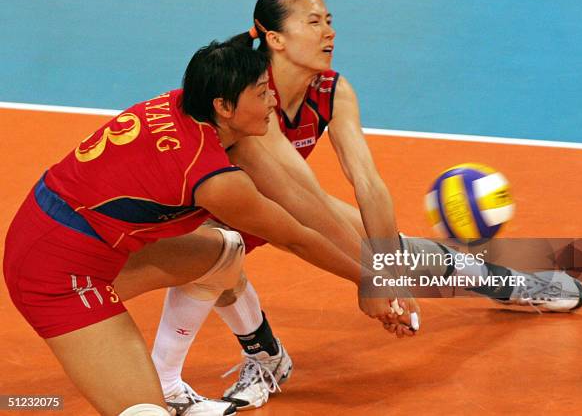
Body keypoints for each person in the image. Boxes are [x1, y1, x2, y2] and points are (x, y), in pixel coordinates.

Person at [148, 0, 582, 412]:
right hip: (204, 207)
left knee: (399, 250)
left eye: (330, 21)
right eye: (313, 22)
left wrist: (389, 271)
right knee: (217, 254)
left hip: (282, 203)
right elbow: (300, 203)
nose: (329, 32)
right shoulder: (253, 96)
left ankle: (513, 284)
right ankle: (256, 360)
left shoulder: (331, 90)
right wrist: (375, 279)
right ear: (275, 39)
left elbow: (368, 184)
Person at [3, 40, 394, 416]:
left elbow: (302, 204)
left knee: (222, 252)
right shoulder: (214, 179)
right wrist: (368, 281)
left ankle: (174, 384)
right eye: (261, 94)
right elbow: (295, 236)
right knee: (142, 412)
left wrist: (379, 275)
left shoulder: (193, 109)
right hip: (57, 274)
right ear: (224, 106)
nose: (272, 101)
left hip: (69, 232)